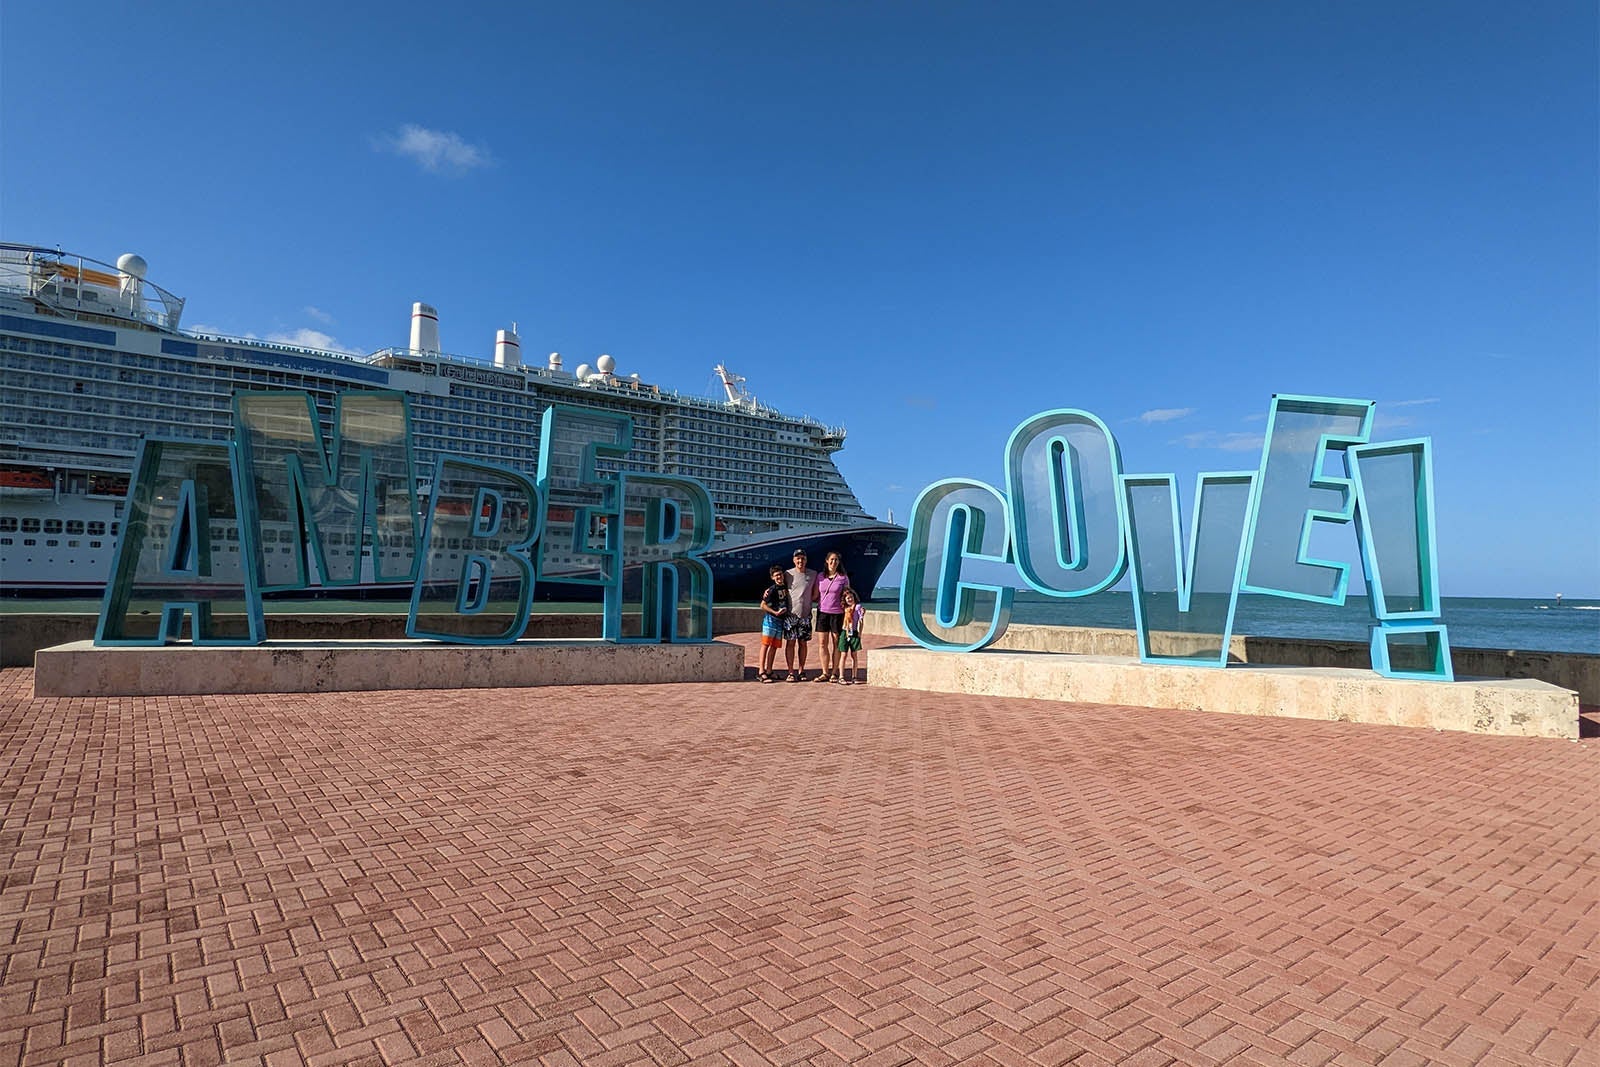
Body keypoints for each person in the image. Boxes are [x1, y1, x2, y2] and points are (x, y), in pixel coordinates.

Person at [813, 550, 850, 682]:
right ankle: (825, 672)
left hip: (837, 614)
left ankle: (834, 672)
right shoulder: (820, 576)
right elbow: (815, 595)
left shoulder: (843, 578)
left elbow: (847, 596)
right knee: (822, 643)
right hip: (823, 612)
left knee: (836, 643)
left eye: (836, 560)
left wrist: (853, 610)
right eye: (832, 559)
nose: (834, 562)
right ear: (827, 561)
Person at [783, 549, 819, 682]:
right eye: (798, 558)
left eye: (803, 558)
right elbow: (778, 587)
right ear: (793, 560)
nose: (800, 561)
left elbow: (815, 594)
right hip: (791, 616)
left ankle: (802, 670)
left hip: (805, 616)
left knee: (803, 644)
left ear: (806, 560)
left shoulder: (813, 574)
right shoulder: (787, 574)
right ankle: (791, 672)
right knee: (790, 644)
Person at [757, 563, 789, 683]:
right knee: (765, 645)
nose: (779, 577)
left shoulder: (785, 587)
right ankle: (761, 671)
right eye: (776, 576)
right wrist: (774, 612)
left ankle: (769, 670)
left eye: (780, 575)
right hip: (770, 620)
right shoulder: (772, 589)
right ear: (772, 577)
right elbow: (762, 605)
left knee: (774, 646)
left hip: (780, 621)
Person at [837, 586, 865, 684]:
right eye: (848, 598)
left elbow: (861, 621)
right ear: (844, 599)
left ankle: (854, 676)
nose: (850, 599)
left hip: (854, 633)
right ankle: (841, 676)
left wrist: (860, 633)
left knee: (854, 655)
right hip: (845, 632)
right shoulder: (844, 608)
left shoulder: (858, 607)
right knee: (843, 655)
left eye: (851, 597)